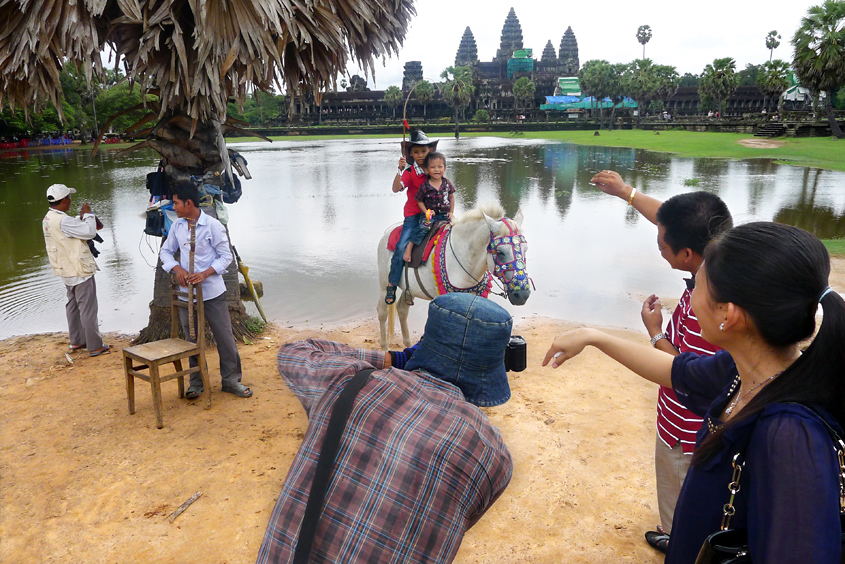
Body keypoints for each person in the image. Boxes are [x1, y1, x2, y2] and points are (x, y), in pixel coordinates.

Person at [544, 222, 845, 563]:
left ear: (727, 314)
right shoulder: (739, 371)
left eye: (696, 285)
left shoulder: (791, 435)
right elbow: (675, 371)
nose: (690, 297)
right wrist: (593, 336)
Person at [256, 293, 514, 564]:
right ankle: (393, 287)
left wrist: (395, 359)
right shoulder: (495, 457)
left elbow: (294, 351)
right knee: (401, 252)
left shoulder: (346, 381)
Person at [590, 170, 733, 553]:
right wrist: (626, 193)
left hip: (688, 426)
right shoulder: (724, 260)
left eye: (661, 242)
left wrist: (655, 333)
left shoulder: (712, 305)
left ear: (686, 254)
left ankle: (680, 543)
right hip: (686, 421)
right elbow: (671, 222)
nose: (657, 244)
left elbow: (692, 376)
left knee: (682, 492)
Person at [159, 182, 252, 399]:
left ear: (188, 203)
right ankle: (196, 382)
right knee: (191, 338)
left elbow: (226, 257)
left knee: (224, 338)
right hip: (187, 295)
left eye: (176, 203)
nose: (173, 207)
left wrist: (206, 273)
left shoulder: (213, 226)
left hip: (212, 293)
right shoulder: (177, 226)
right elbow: (165, 252)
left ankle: (231, 381)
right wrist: (177, 268)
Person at [42, 183, 109, 356]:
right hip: (79, 270)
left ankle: (77, 341)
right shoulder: (64, 220)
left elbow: (70, 230)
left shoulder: (48, 218)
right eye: (69, 197)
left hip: (65, 269)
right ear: (64, 200)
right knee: (87, 308)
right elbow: (89, 232)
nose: (71, 200)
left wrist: (83, 219)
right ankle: (95, 346)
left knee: (72, 305)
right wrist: (87, 214)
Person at [385, 129, 438, 305]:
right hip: (414, 215)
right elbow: (395, 188)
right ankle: (392, 284)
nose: (420, 154)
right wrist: (399, 170)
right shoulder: (409, 172)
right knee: (401, 247)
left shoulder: (434, 168)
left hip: (435, 213)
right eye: (416, 151)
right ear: (410, 154)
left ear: (430, 150)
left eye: (423, 151)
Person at [403, 151, 455, 262]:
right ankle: (410, 246)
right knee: (423, 228)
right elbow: (419, 201)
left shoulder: (447, 183)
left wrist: (451, 212)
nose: (436, 170)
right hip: (432, 215)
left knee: (458, 226)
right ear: (427, 170)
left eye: (440, 167)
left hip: (445, 214)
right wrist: (426, 212)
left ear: (444, 169)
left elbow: (451, 198)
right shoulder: (425, 185)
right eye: (433, 167)